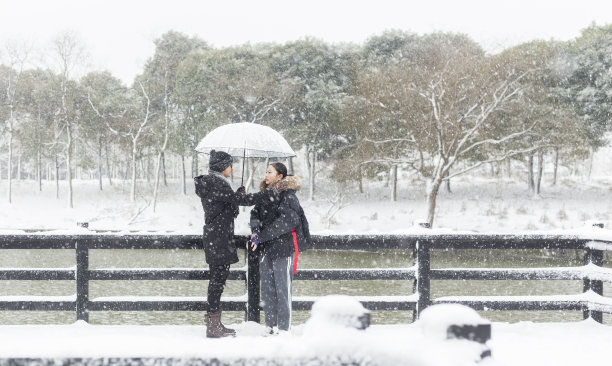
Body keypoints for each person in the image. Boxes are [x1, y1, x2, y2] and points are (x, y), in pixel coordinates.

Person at [194, 150, 288, 338]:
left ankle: (215, 323)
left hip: (217, 237)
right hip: (218, 238)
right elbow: (246, 201)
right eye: (230, 164)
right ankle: (213, 326)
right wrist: (270, 192)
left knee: (217, 281)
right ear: (222, 166)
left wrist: (235, 196)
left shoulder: (214, 183)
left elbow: (226, 209)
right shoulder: (217, 183)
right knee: (217, 282)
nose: (232, 167)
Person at [249, 162, 311, 335]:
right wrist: (255, 231)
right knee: (268, 291)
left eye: (270, 172)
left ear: (280, 176)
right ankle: (270, 327)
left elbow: (287, 222)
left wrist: (262, 236)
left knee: (283, 290)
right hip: (266, 249)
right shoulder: (265, 195)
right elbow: (255, 214)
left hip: (283, 248)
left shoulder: (288, 196)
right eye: (266, 171)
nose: (266, 175)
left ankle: (283, 329)